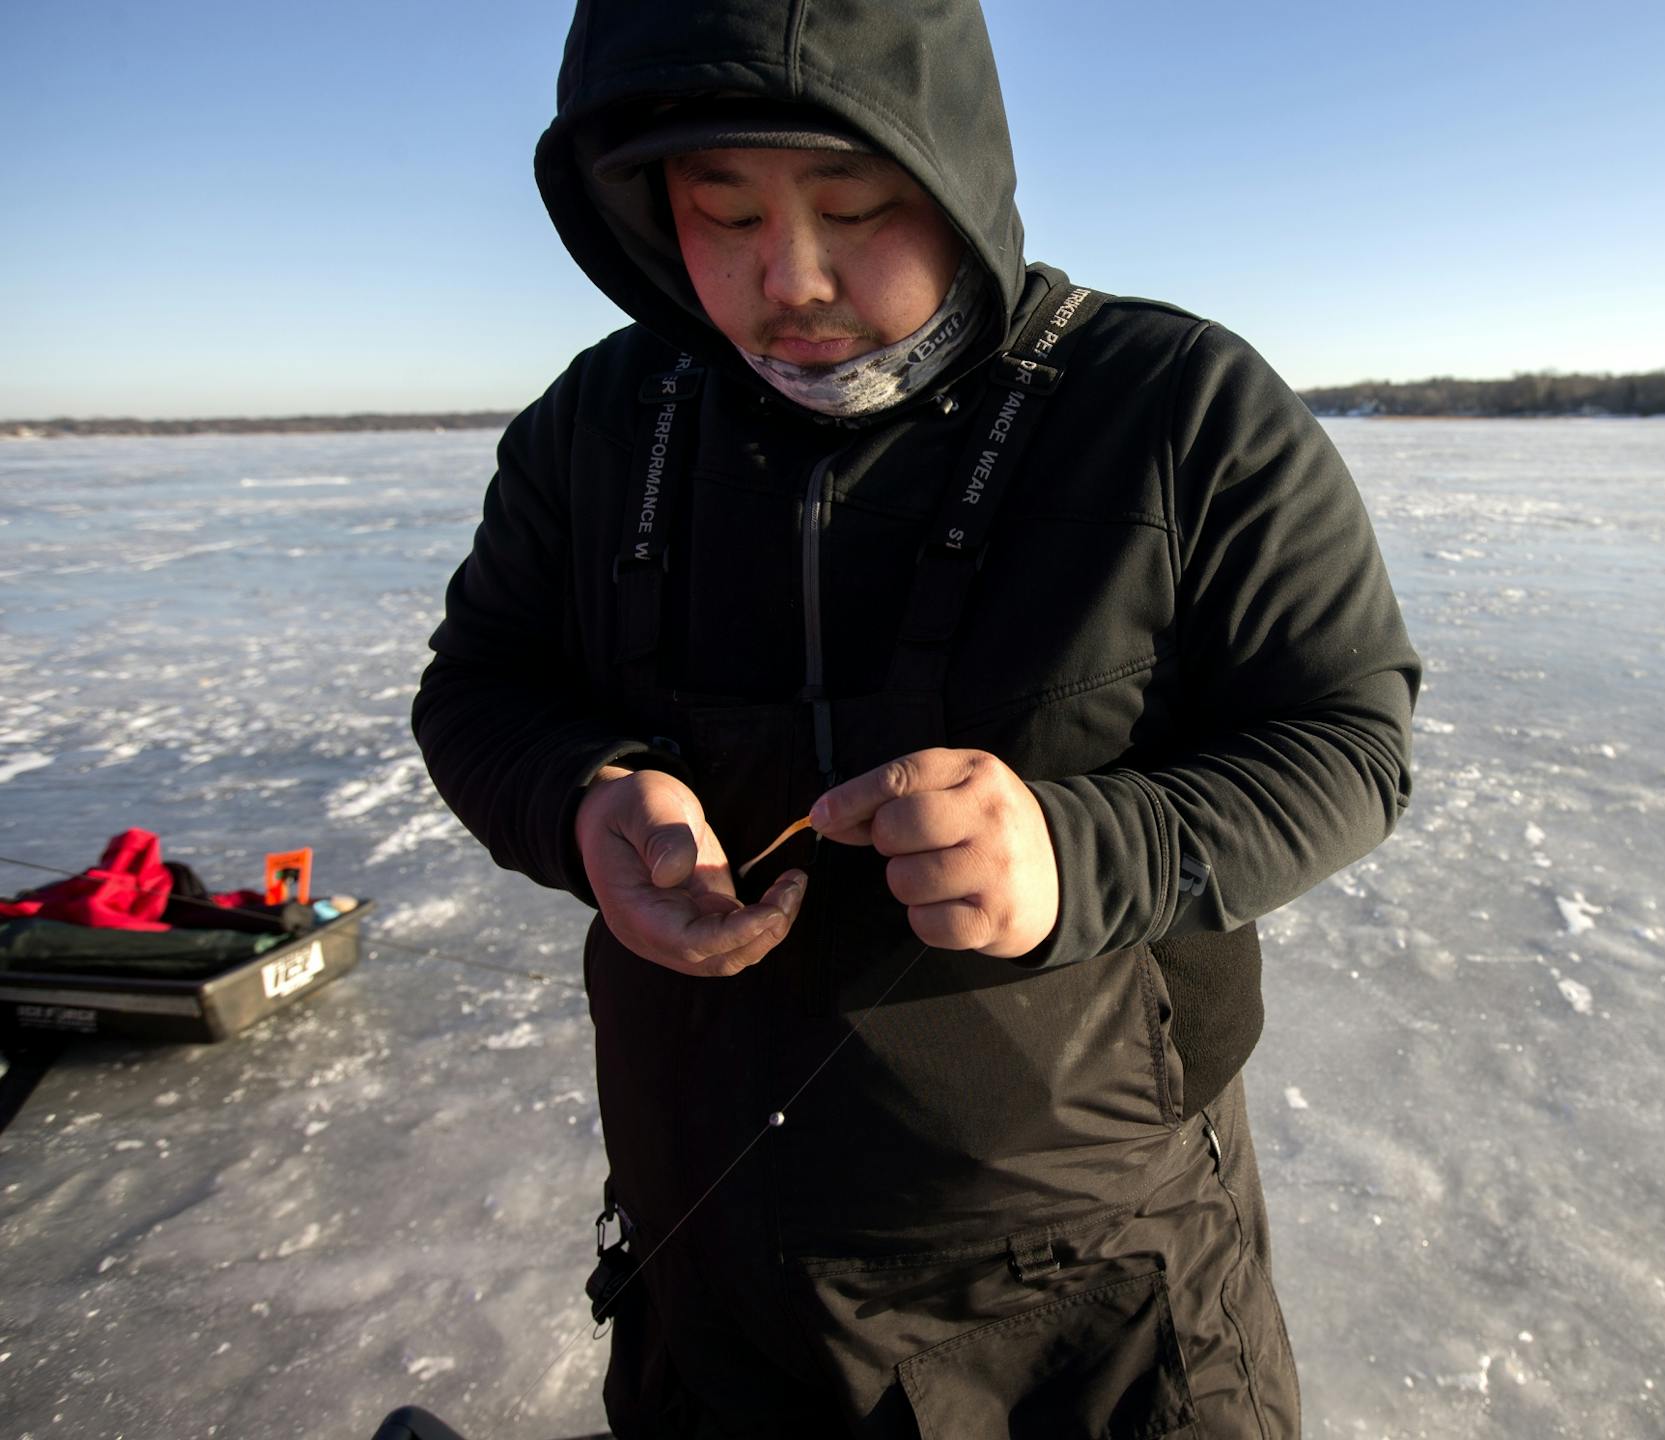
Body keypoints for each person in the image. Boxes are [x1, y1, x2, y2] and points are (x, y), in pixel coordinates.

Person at [412, 1, 1420, 1434]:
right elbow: (479, 684)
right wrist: (586, 794)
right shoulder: (599, 428)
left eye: (853, 205)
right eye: (724, 211)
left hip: (1099, 1289)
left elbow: (1347, 739)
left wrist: (1076, 852)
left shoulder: (1177, 406)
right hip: (709, 1250)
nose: (793, 277)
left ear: (952, 170)